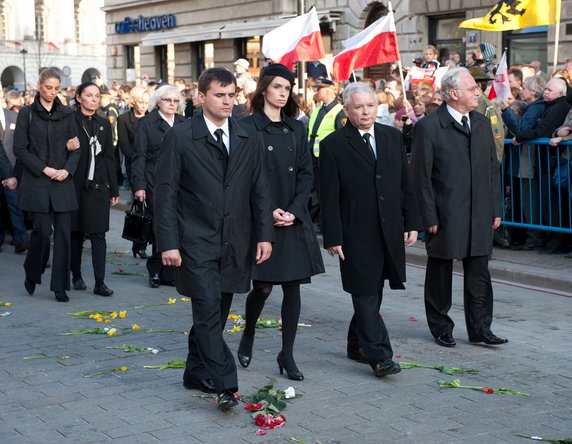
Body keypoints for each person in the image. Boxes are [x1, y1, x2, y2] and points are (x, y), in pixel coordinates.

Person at [153, 67, 274, 411]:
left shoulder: (245, 133)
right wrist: (169, 242)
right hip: (195, 242)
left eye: (231, 95)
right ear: (201, 96)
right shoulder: (180, 136)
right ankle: (226, 384)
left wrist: (264, 235)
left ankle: (195, 372)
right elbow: (165, 194)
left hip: (235, 242)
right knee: (207, 313)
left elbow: (260, 190)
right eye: (219, 95)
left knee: (215, 315)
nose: (227, 101)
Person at [319, 82, 420, 378]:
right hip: (354, 231)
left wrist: (411, 222)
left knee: (373, 291)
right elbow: (329, 195)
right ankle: (380, 356)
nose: (366, 112)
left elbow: (405, 184)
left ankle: (357, 344)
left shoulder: (391, 136)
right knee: (363, 291)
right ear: (347, 110)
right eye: (359, 107)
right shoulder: (333, 145)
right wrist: (333, 236)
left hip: (388, 229)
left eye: (371, 106)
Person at [237, 64, 325, 380]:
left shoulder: (296, 129)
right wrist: (270, 209)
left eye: (287, 88)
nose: (283, 92)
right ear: (263, 89)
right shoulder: (246, 127)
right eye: (277, 86)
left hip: (293, 217)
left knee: (293, 287)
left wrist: (294, 210)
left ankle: (287, 355)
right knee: (261, 287)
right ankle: (248, 331)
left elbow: (306, 174)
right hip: (262, 217)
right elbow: (242, 176)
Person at [411, 67, 506, 347]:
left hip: (479, 212)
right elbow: (421, 178)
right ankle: (441, 327)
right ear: (453, 94)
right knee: (440, 271)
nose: (478, 91)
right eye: (471, 88)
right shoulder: (428, 127)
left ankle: (481, 329)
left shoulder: (479, 122)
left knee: (479, 273)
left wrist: (495, 208)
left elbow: (492, 170)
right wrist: (428, 215)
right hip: (445, 213)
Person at [13, 68, 80, 302]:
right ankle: (32, 270)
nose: (52, 92)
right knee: (41, 233)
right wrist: (44, 169)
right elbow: (19, 149)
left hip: (62, 181)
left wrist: (67, 170)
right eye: (48, 87)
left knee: (63, 234)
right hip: (38, 181)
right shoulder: (26, 113)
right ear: (39, 86)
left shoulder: (68, 114)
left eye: (56, 88)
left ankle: (59, 286)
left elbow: (76, 147)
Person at [67, 82, 119, 297]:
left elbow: (109, 157)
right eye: (89, 95)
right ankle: (76, 275)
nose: (94, 99)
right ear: (79, 97)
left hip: (98, 187)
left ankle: (100, 282)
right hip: (75, 186)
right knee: (76, 233)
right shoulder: (70, 120)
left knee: (99, 234)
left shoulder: (103, 123)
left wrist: (114, 189)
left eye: (97, 95)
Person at [132, 85, 187, 288]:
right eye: (167, 100)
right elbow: (139, 156)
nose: (172, 104)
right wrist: (139, 186)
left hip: (180, 182)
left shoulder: (183, 122)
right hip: (154, 180)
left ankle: (171, 272)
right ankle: (155, 270)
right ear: (158, 102)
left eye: (175, 100)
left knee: (177, 224)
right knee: (158, 227)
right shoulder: (147, 123)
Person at [501, 76, 547, 250]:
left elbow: (521, 129)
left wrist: (506, 111)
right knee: (525, 203)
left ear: (534, 91)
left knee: (531, 204)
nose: (521, 90)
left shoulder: (535, 108)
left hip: (529, 162)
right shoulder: (532, 107)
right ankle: (526, 237)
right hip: (523, 163)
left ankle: (534, 238)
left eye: (525, 87)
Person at [117, 85, 150, 259]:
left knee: (150, 206)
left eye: (146, 102)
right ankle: (139, 244)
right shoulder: (123, 119)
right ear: (134, 102)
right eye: (141, 102)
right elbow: (124, 145)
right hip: (134, 166)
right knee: (140, 204)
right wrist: (139, 160)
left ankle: (143, 243)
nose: (144, 106)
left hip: (152, 167)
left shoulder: (152, 118)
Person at [0, 105, 29, 253]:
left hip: (11, 170)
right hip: (5, 169)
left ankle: (21, 240)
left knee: (15, 205)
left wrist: (16, 172)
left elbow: (21, 143)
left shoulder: (14, 115)